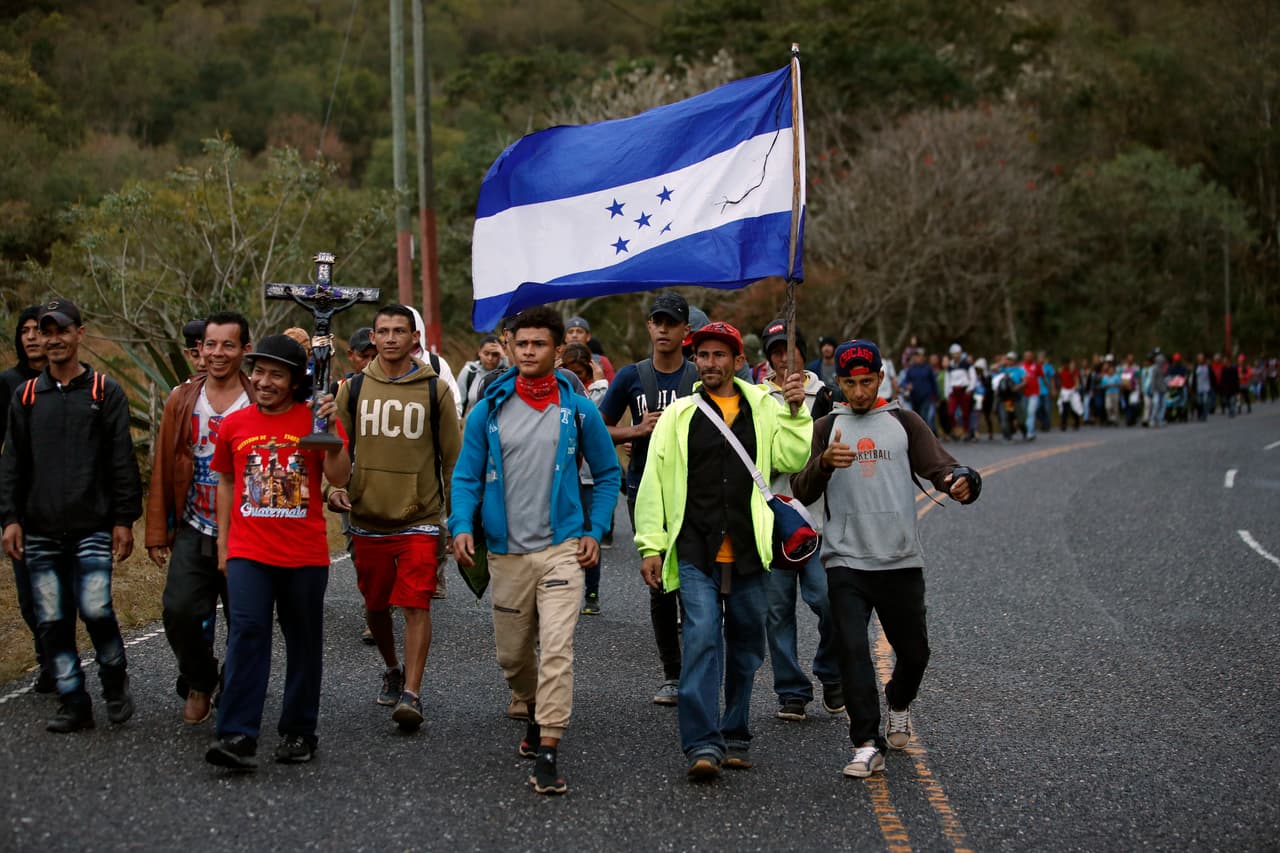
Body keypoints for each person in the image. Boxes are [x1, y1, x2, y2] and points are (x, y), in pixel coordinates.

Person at [450, 306, 620, 796]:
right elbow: (465, 477)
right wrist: (461, 525)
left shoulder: (579, 409)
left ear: (557, 350)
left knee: (558, 648)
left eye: (539, 344)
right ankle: (530, 705)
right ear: (509, 346)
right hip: (506, 553)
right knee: (512, 657)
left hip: (562, 549)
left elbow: (608, 474)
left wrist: (594, 529)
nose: (528, 352)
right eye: (521, 344)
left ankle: (548, 748)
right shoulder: (487, 409)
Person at [790, 339, 979, 779]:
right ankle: (865, 743)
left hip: (899, 559)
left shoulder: (903, 422)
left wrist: (962, 482)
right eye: (849, 383)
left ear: (880, 378)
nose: (858, 392)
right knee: (853, 652)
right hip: (845, 560)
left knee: (915, 653)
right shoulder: (826, 426)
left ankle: (898, 699)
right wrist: (824, 463)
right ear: (839, 382)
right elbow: (800, 489)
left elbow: (943, 469)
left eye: (866, 381)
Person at [634, 320, 811, 780]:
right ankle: (702, 743)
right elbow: (653, 483)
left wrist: (796, 413)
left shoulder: (764, 406)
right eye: (703, 355)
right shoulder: (678, 415)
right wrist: (651, 544)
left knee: (747, 646)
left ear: (737, 360)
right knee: (701, 638)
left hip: (751, 549)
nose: (709, 363)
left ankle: (735, 734)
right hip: (696, 548)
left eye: (719, 355)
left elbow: (792, 459)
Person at [204, 334, 351, 770]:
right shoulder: (235, 424)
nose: (264, 381)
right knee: (247, 632)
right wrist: (223, 543)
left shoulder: (315, 419)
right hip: (248, 551)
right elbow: (227, 482)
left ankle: (298, 731)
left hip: (304, 554)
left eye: (276, 375)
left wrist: (331, 430)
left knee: (303, 641)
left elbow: (339, 476)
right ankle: (237, 734)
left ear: (295, 381)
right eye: (259, 372)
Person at [0, 298, 143, 733]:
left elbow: (122, 460)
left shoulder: (104, 391)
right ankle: (73, 700)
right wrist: (10, 518)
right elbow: (12, 463)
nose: (53, 339)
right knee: (52, 620)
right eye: (46, 332)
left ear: (79, 334)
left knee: (96, 608)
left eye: (61, 330)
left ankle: (114, 680)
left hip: (92, 526)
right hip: (39, 529)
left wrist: (124, 520)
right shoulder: (27, 396)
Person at [331, 304, 461, 733]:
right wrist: (333, 489)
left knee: (416, 602)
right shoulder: (352, 389)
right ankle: (391, 667)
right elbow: (336, 451)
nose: (390, 339)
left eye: (399, 331)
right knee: (375, 607)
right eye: (383, 331)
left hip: (419, 518)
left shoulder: (434, 390)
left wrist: (456, 519)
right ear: (373, 337)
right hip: (367, 517)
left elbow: (452, 459)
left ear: (413, 338)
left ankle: (412, 693)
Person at [146, 311, 254, 725]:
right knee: (180, 611)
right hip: (195, 525)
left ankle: (235, 686)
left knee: (245, 620)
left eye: (228, 345)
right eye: (211, 345)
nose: (218, 353)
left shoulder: (256, 398)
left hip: (246, 530)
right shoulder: (182, 399)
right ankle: (199, 678)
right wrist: (158, 530)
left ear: (244, 349)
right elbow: (164, 464)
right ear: (200, 349)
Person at [598, 292, 697, 704]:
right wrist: (635, 430)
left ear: (685, 330)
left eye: (671, 323)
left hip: (694, 490)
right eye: (657, 322)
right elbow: (598, 429)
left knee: (695, 580)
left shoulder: (699, 376)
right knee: (660, 583)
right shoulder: (631, 376)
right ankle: (672, 675)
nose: (663, 329)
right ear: (649, 327)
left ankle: (699, 671)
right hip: (644, 489)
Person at [756, 320, 843, 721]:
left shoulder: (826, 395)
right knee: (777, 611)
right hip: (773, 518)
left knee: (827, 600)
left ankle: (831, 671)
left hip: (819, 519)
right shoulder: (756, 398)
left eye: (788, 350)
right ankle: (791, 690)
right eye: (774, 351)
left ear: (802, 353)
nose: (782, 358)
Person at [0, 305, 53, 692]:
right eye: (25, 331)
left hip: (64, 503)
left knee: (61, 592)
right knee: (28, 593)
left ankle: (60, 658)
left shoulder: (70, 382)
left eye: (39, 329)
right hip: (20, 504)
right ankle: (47, 656)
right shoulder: (8, 384)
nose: (32, 337)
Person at [561, 342, 608, 615]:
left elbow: (599, 422)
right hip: (567, 477)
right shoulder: (557, 383)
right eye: (571, 370)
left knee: (589, 535)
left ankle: (592, 589)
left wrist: (599, 384)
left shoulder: (590, 394)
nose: (575, 376)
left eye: (580, 372)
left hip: (587, 477)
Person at [457, 334, 507, 415]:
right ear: (479, 352)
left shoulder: (507, 372)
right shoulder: (469, 372)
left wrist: (505, 356)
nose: (490, 358)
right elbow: (458, 404)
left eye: (495, 354)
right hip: (474, 421)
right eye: (486, 354)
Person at [565, 316, 615, 382]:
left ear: (588, 336)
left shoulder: (601, 361)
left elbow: (612, 385)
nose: (574, 335)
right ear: (565, 337)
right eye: (570, 332)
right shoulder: (558, 362)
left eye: (579, 332)